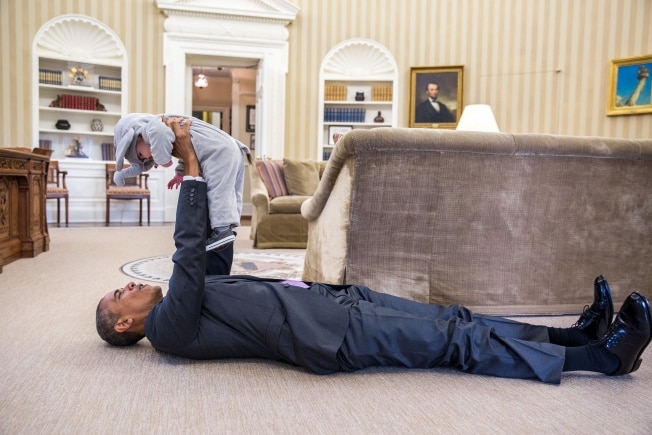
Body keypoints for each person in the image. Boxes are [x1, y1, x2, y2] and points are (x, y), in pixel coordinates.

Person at [96, 119, 652, 384]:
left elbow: (213, 239)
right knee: (452, 342)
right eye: (117, 298)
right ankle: (600, 359)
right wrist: (189, 162)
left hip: (334, 304)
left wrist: (194, 171)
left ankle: (571, 335)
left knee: (454, 317)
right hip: (331, 336)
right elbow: (189, 254)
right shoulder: (168, 329)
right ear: (126, 327)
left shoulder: (185, 303)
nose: (125, 287)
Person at [112, 113, 250, 251]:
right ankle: (230, 228)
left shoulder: (153, 128)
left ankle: (222, 229)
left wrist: (163, 160)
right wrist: (179, 173)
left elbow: (160, 133)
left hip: (218, 152)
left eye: (141, 155)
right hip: (230, 148)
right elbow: (192, 147)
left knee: (218, 191)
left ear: (138, 137)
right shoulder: (174, 130)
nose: (147, 158)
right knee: (231, 190)